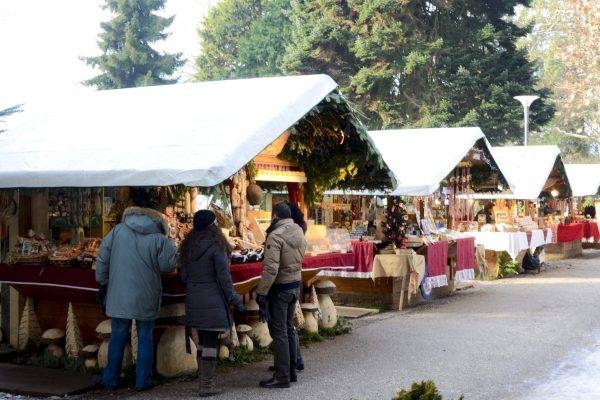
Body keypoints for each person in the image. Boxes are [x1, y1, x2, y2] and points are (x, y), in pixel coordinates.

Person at [95, 201, 178, 392]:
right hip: (146, 294)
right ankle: (142, 381)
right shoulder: (158, 237)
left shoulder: (117, 231)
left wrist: (102, 279)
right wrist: (171, 245)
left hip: (119, 294)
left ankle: (110, 379)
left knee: (117, 336)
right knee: (145, 337)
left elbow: (103, 257)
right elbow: (168, 266)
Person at [180, 210, 245, 397]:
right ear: (213, 225)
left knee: (202, 341)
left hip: (194, 298)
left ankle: (204, 383)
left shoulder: (188, 245)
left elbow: (184, 276)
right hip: (213, 299)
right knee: (210, 342)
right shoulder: (217, 245)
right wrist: (234, 299)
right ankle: (206, 386)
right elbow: (224, 278)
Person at [257, 202, 307, 389]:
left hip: (280, 289)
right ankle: (292, 370)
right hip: (295, 285)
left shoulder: (275, 235)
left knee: (279, 333)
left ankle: (282, 376)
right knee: (288, 329)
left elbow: (270, 269)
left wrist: (261, 292)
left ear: (275, 216)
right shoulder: (299, 231)